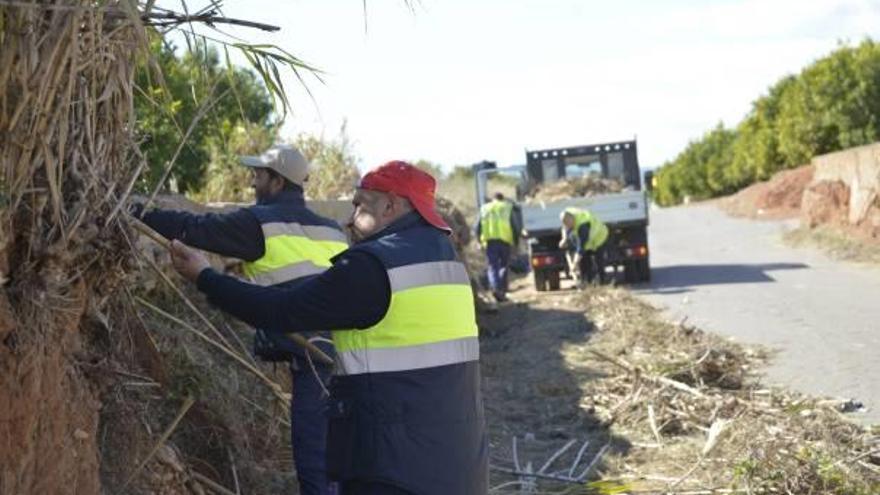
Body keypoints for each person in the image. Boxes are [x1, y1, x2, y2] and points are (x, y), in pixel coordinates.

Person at [168, 161, 488, 495]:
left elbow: (279, 310)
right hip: (457, 464)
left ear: (391, 205)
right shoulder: (447, 261)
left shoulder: (373, 266)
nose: (350, 217)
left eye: (360, 204)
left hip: (391, 470)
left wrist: (205, 277)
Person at [133, 144, 346, 495]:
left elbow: (194, 228)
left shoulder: (260, 223)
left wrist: (137, 212)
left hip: (316, 361)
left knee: (316, 467)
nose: (252, 184)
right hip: (351, 357)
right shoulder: (333, 230)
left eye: (258, 176)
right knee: (343, 463)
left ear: (277, 182)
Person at [475, 192, 521, 302]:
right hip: (505, 241)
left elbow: (477, 227)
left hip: (490, 241)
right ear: (503, 199)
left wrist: (478, 241)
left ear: (493, 199)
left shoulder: (485, 208)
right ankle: (502, 290)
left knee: (492, 266)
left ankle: (495, 288)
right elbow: (515, 226)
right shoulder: (507, 207)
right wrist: (516, 242)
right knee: (504, 265)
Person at [559, 207, 609, 286]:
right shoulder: (568, 214)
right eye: (566, 224)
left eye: (569, 224)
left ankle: (602, 283)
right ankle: (587, 283)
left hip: (599, 238)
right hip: (587, 241)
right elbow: (564, 227)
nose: (568, 227)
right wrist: (564, 239)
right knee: (584, 262)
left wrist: (574, 264)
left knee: (599, 263)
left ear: (572, 220)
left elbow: (581, 248)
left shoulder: (583, 226)